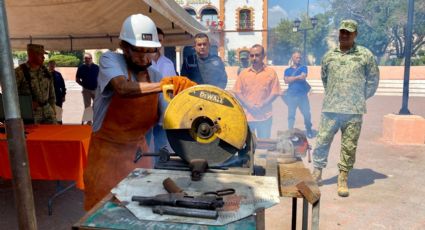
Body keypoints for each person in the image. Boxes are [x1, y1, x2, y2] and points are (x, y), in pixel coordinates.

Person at [83, 14, 196, 210]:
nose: (144, 57)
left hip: (139, 156)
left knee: (142, 211)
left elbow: (167, 119)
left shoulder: (155, 76)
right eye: (138, 51)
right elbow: (123, 88)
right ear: (124, 47)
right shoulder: (111, 60)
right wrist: (165, 85)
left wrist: (191, 104)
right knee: (104, 214)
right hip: (106, 160)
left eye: (150, 51)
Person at [311, 19, 380, 197]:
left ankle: (342, 177)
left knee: (349, 146)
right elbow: (325, 79)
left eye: (348, 32)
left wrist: (359, 97)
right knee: (322, 141)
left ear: (355, 34)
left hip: (354, 111)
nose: (344, 35)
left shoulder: (365, 55)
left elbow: (373, 81)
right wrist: (336, 95)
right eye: (342, 31)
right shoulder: (329, 56)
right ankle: (317, 172)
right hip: (331, 109)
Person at [233, 44, 281, 139]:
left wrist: (263, 104)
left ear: (263, 56)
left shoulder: (271, 73)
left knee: (263, 145)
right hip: (247, 116)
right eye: (252, 55)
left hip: (265, 116)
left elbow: (275, 92)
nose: (254, 58)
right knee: (247, 146)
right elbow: (237, 91)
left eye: (257, 55)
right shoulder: (244, 73)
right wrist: (248, 105)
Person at [148, 27, 177, 153]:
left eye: (160, 40)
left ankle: (160, 166)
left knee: (161, 143)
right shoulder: (143, 62)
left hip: (163, 111)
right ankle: (144, 167)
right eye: (155, 40)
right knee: (145, 142)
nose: (158, 43)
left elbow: (174, 86)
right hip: (146, 111)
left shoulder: (168, 63)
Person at [15, 44, 57, 124]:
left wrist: (53, 109)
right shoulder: (19, 72)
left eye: (43, 54)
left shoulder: (45, 71)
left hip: (47, 110)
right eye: (40, 54)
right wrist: (25, 104)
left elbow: (52, 93)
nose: (43, 57)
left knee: (55, 134)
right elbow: (10, 95)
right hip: (31, 113)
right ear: (31, 55)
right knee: (34, 136)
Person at [283, 51, 313, 138]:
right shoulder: (287, 70)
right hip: (291, 96)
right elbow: (286, 81)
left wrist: (291, 78)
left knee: (307, 114)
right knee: (291, 116)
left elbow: (303, 76)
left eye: (299, 57)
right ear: (292, 58)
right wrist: (297, 77)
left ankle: (309, 130)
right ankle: (290, 132)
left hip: (302, 96)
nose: (298, 59)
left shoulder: (304, 67)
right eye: (296, 57)